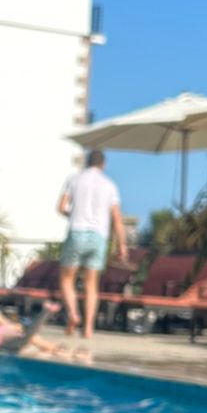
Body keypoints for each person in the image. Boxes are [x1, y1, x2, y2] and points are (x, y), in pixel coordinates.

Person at [56, 147, 127, 355]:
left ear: (87, 162)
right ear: (103, 164)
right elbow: (117, 219)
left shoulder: (74, 179)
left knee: (67, 279)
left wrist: (73, 215)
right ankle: (88, 328)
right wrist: (122, 245)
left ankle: (73, 314)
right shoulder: (110, 185)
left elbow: (61, 207)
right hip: (99, 236)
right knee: (91, 285)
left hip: (77, 231)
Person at [0, 300, 67, 367]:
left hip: (1, 340)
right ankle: (45, 312)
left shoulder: (15, 331)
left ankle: (45, 312)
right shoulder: (12, 327)